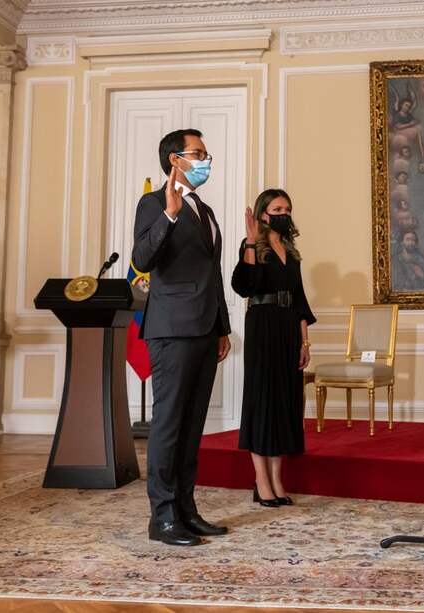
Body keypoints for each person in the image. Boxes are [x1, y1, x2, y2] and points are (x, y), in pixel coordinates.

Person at [132, 128, 232, 546]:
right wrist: (168, 216)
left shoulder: (205, 210)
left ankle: (187, 510)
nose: (207, 159)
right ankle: (163, 517)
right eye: (199, 153)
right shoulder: (154, 203)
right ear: (175, 159)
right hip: (171, 329)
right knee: (169, 425)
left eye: (206, 153)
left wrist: (223, 327)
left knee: (192, 427)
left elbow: (213, 275)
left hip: (206, 329)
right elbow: (142, 259)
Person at [232, 189, 316, 507]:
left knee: (284, 403)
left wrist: (305, 340)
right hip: (263, 325)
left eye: (287, 208)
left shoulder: (292, 251)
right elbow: (245, 286)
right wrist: (251, 242)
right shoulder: (253, 245)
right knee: (263, 400)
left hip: (288, 327)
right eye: (277, 208)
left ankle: (278, 480)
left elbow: (300, 299)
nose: (283, 212)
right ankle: (261, 480)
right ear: (263, 213)